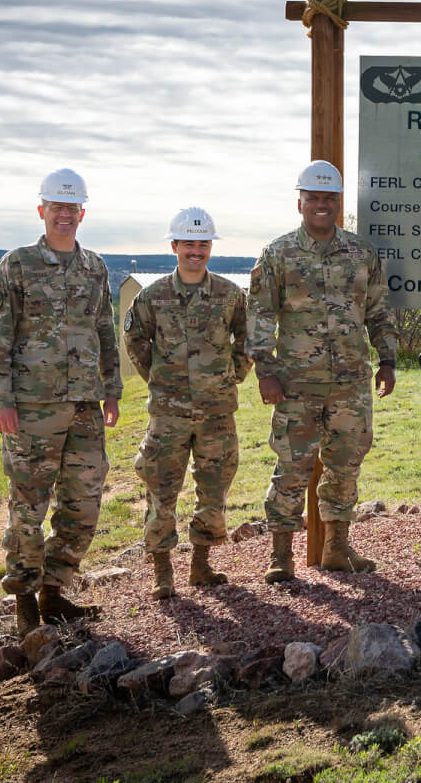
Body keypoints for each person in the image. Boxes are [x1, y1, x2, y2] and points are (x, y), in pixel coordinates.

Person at [0, 168, 120, 634]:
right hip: (31, 408)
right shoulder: (16, 265)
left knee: (85, 502)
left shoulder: (94, 267)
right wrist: (0, 400)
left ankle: (56, 591)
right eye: (56, 207)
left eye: (71, 208)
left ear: (82, 213)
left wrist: (112, 389)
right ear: (42, 211)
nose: (64, 215)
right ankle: (23, 600)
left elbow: (104, 331)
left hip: (84, 407)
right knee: (29, 506)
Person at [248, 160, 397, 582]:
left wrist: (386, 360)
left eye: (329, 198)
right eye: (313, 197)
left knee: (346, 463)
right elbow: (259, 314)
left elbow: (379, 312)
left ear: (338, 202)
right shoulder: (278, 255)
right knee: (292, 466)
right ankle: (281, 555)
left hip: (351, 381)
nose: (321, 205)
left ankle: (337, 547)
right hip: (296, 382)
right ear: (300, 203)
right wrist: (265, 371)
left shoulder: (361, 254)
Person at [122, 207, 252, 599]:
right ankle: (162, 571)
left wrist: (232, 375)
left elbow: (249, 340)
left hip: (216, 413)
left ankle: (201, 564)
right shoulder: (153, 296)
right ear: (174, 246)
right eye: (188, 244)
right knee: (161, 491)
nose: (196, 251)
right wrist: (159, 380)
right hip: (168, 414)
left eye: (203, 244)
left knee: (213, 490)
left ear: (210, 247)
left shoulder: (230, 295)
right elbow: (135, 342)